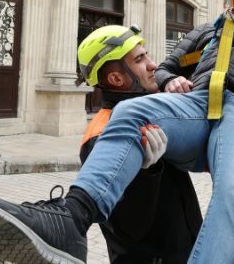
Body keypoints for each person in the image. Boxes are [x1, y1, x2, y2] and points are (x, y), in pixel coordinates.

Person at [0, 0, 234, 264]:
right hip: (198, 105)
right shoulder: (212, 31)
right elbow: (167, 68)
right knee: (132, 112)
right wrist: (169, 81)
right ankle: (72, 218)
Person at [76, 25, 202, 263]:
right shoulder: (103, 135)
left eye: (147, 55)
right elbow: (129, 227)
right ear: (116, 79)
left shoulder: (154, 112)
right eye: (139, 60)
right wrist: (146, 173)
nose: (153, 65)